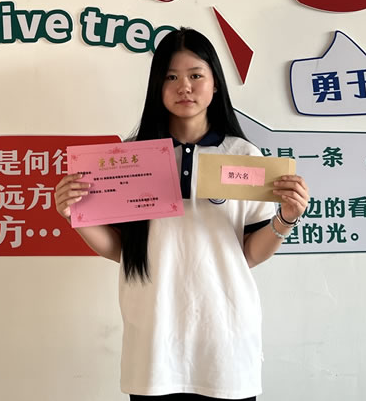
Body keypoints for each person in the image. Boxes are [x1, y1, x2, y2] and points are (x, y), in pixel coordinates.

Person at [54, 28, 309, 401]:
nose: (184, 87)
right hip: (154, 346)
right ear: (157, 87)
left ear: (215, 84)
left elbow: (250, 253)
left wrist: (286, 218)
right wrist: (74, 213)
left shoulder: (243, 156)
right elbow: (121, 250)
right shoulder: (130, 159)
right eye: (171, 77)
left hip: (226, 343)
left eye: (195, 75)